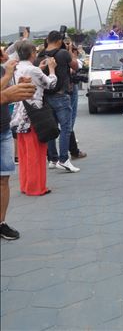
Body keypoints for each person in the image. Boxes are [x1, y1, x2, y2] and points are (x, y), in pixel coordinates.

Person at [10, 42, 58, 196]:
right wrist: (51, 69)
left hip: (19, 116)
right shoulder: (33, 69)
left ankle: (26, 185)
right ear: (31, 53)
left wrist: (41, 70)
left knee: (24, 155)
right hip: (34, 117)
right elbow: (50, 84)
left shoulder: (16, 69)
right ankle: (36, 187)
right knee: (36, 153)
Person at [1, 58, 35, 240]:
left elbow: (5, 93)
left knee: (3, 180)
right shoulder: (5, 71)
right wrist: (6, 93)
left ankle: (1, 223)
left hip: (3, 131)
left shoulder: (2, 69)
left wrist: (18, 88)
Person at [37, 30, 80, 173]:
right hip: (61, 95)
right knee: (66, 128)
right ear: (60, 41)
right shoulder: (63, 53)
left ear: (47, 40)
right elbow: (76, 66)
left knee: (52, 128)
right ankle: (64, 159)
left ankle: (52, 159)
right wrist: (69, 51)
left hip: (46, 97)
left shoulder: (40, 55)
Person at [68, 45, 87, 159]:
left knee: (66, 124)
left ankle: (53, 157)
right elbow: (75, 67)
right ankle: (70, 153)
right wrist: (71, 54)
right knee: (68, 123)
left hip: (59, 92)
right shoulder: (66, 57)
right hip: (67, 90)